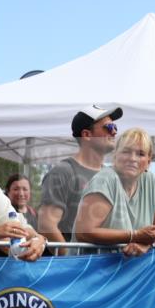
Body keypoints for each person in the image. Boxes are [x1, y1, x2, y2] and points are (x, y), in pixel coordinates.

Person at [38, 104, 123, 252]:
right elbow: (47, 226)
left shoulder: (112, 175)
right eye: (108, 127)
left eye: (115, 126)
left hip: (107, 265)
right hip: (79, 269)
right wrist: (71, 261)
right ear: (86, 135)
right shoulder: (63, 172)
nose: (114, 132)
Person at [73, 128, 155, 257]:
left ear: (148, 162)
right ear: (115, 155)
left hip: (126, 270)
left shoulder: (149, 181)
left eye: (140, 154)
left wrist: (146, 244)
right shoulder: (105, 180)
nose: (132, 158)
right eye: (126, 151)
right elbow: (84, 232)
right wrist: (134, 235)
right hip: (92, 270)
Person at [0, 177, 46, 261]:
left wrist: (38, 239)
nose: (21, 193)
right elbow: (5, 241)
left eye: (25, 189)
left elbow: (21, 226)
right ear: (8, 191)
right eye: (16, 189)